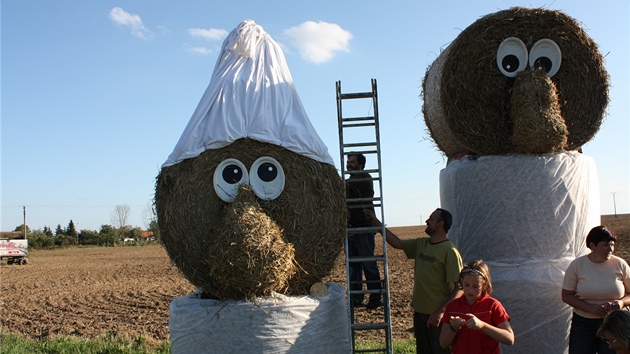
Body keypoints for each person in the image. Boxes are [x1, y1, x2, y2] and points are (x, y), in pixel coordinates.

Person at [365, 207, 463, 354]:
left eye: (431, 219)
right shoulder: (421, 244)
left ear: (440, 224)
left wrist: (441, 311)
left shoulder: (450, 251)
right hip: (420, 313)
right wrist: (376, 222)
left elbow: (459, 288)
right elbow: (397, 243)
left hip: (438, 316)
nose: (426, 221)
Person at [562, 226, 630, 354]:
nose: (610, 249)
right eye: (605, 245)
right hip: (583, 324)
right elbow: (566, 295)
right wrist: (590, 308)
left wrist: (620, 303)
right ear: (592, 245)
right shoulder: (577, 266)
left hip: (614, 324)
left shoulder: (620, 264)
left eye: (612, 245)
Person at [439, 260, 515, 353]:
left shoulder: (493, 305)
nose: (470, 290)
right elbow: (443, 344)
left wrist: (482, 325)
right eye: (467, 285)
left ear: (484, 285)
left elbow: (509, 339)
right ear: (461, 282)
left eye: (476, 286)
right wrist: (453, 328)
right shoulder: (452, 306)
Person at [345, 153, 382, 310]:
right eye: (348, 162)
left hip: (363, 227)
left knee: (368, 263)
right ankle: (356, 298)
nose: (348, 164)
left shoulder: (364, 177)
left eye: (352, 162)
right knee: (353, 266)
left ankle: (375, 297)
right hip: (351, 228)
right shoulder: (350, 180)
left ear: (360, 164)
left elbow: (344, 187)